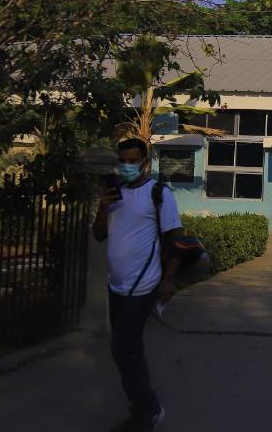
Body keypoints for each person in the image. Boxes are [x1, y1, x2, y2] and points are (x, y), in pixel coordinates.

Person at [93, 138, 184, 432]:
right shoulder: (114, 193)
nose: (127, 166)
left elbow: (174, 239)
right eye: (122, 161)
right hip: (117, 285)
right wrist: (103, 208)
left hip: (144, 284)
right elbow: (99, 235)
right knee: (123, 349)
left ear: (145, 162)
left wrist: (169, 279)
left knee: (125, 347)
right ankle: (142, 406)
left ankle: (148, 410)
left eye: (133, 161)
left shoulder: (158, 193)